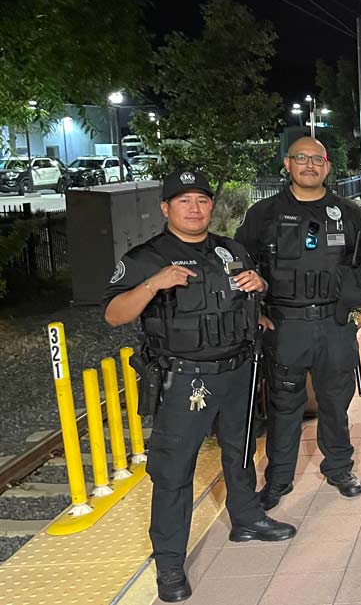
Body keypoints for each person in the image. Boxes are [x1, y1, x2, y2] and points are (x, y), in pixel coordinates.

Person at [105, 170, 296, 602]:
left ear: (212, 206)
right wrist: (153, 284)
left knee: (241, 450)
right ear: (166, 208)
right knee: (173, 473)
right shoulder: (146, 257)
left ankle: (247, 519)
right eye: (184, 200)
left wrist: (259, 286)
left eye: (202, 200)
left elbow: (249, 301)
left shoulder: (230, 250)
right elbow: (115, 314)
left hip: (238, 371)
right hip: (184, 378)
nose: (195, 208)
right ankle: (170, 565)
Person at [236, 137, 361, 511]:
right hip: (285, 326)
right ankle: (278, 479)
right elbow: (239, 264)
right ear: (287, 164)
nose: (310, 165)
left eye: (318, 159)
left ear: (328, 166)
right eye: (301, 158)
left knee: (335, 401)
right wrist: (256, 313)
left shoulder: (347, 212)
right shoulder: (263, 214)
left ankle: (339, 468)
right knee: (285, 405)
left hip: (335, 325)